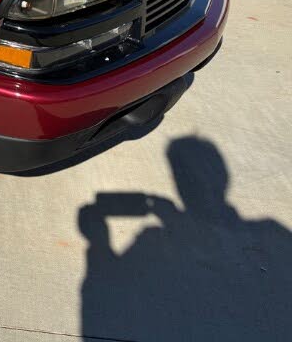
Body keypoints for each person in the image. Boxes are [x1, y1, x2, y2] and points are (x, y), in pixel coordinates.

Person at [79, 136, 292, 340]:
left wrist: (98, 241)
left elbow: (106, 296)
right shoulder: (275, 235)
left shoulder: (152, 241)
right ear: (224, 178)